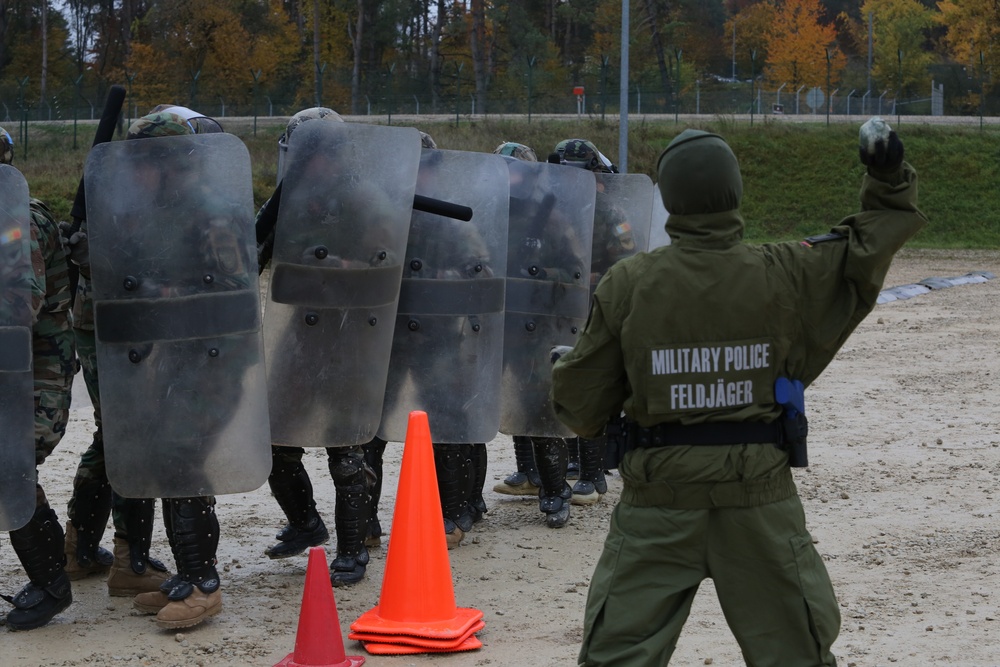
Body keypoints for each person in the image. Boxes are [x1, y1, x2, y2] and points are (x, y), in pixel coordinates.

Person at [551, 119, 927, 666]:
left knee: (617, 656)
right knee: (796, 653)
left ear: (670, 198)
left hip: (659, 501)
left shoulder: (630, 283)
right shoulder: (785, 272)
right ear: (734, 190)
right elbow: (868, 247)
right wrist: (888, 174)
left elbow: (580, 409)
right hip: (759, 499)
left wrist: (565, 370)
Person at [86, 109, 237, 629]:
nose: (135, 171)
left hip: (214, 359)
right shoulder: (156, 211)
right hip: (174, 356)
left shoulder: (207, 211)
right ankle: (187, 578)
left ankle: (203, 585)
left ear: (170, 162)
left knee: (180, 457)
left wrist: (167, 296)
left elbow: (233, 293)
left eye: (144, 160)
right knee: (168, 461)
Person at [258, 107, 394, 585]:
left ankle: (353, 548)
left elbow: (386, 267)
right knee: (274, 438)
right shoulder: (292, 199)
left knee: (347, 445)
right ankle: (304, 523)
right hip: (300, 330)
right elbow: (252, 254)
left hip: (352, 335)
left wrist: (343, 267)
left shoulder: (364, 199)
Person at [1, 127, 76, 630]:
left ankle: (52, 583)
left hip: (35, 368)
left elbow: (18, 304)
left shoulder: (17, 220)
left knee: (12, 469)